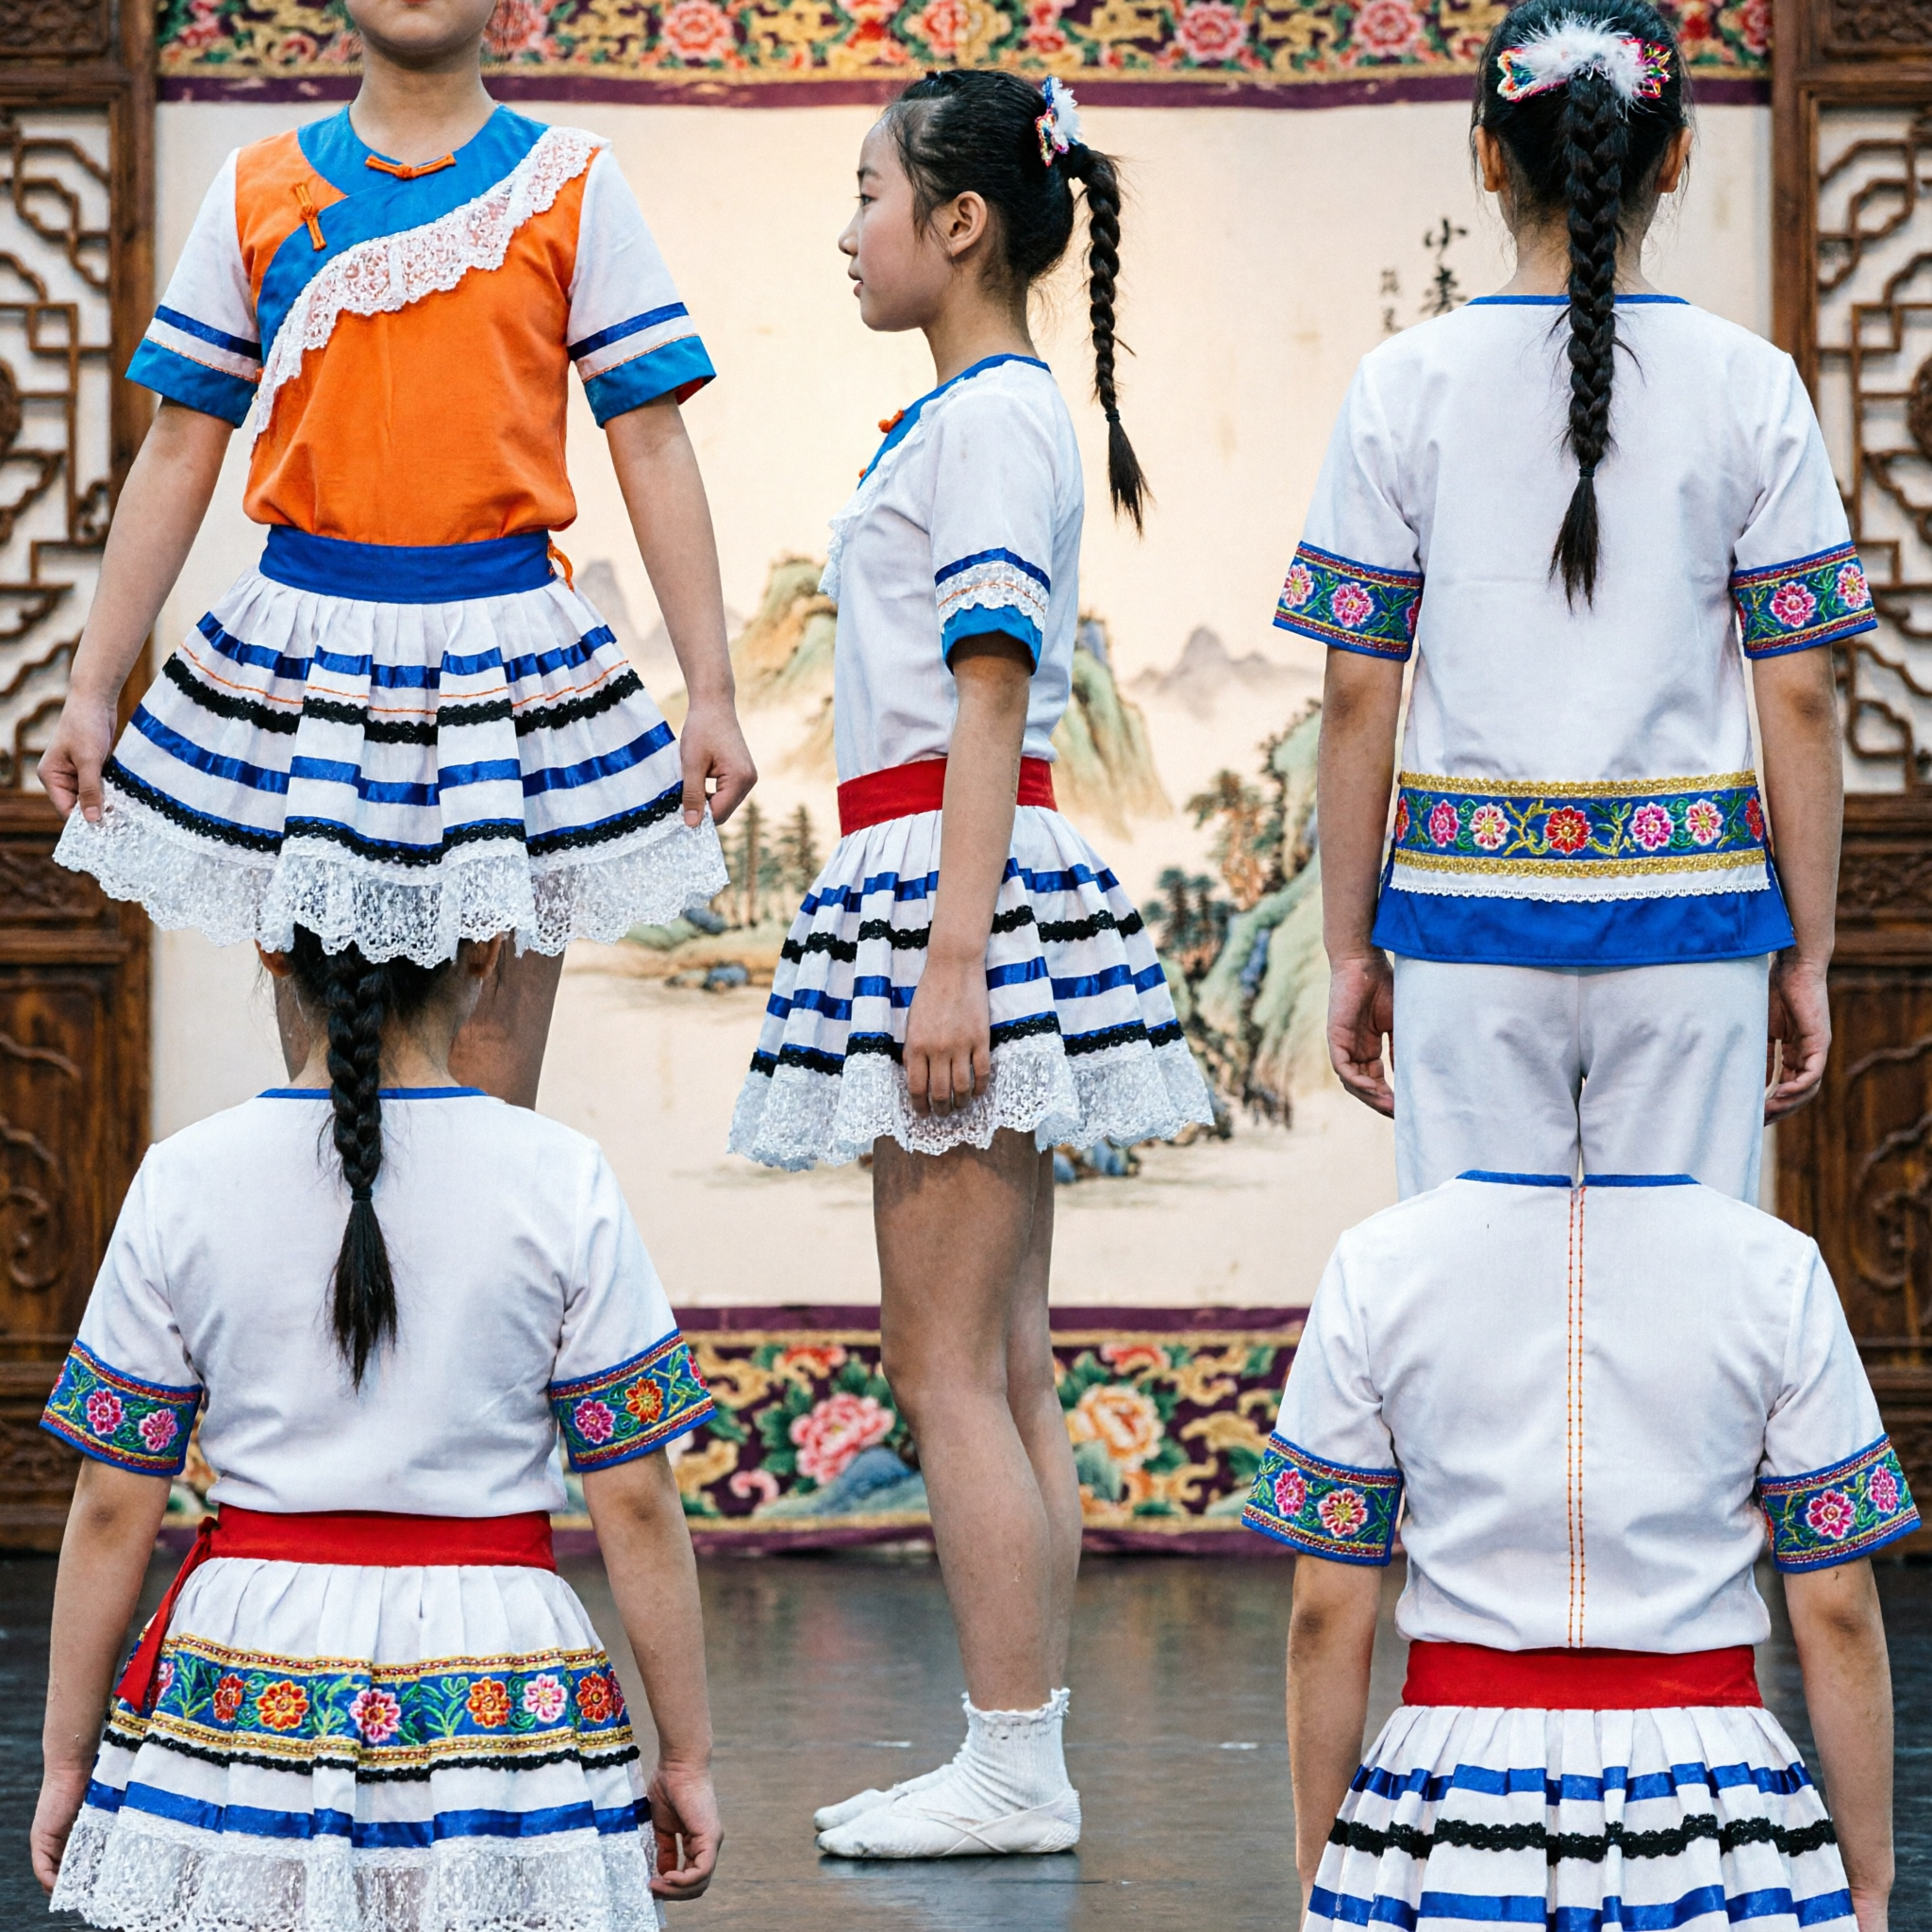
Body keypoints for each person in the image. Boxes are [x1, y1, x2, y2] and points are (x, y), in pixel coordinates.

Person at [729, 72, 1213, 1857]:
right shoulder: (968, 416)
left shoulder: (993, 421)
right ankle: (1019, 1750)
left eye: (865, 193)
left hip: (952, 884)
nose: (843, 230)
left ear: (958, 221)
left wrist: (951, 963)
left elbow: (993, 688)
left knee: (947, 1367)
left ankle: (1012, 1761)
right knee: (999, 1364)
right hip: (940, 872)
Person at [39, 0, 755, 1108]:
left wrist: (710, 689)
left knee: (488, 1116)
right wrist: (91, 688)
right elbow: (180, 444)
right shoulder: (255, 186)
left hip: (505, 674)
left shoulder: (574, 181)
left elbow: (649, 437)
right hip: (311, 681)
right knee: (327, 1114)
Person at [31, 927, 723, 1928]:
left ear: (274, 950)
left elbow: (109, 1504)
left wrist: (66, 1758)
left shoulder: (181, 1175)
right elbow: (637, 1498)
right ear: (485, 947)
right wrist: (687, 1754)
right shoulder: (562, 1173)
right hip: (496, 1676)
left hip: (248, 1670)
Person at [1299, 0, 1867, 1199]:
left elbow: (1357, 694)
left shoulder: (1398, 388)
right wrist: (1806, 953)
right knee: (1676, 1297)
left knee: (1469, 1302)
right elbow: (1801, 701)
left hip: (1463, 925)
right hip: (1693, 927)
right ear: (1672, 157)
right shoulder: (1751, 388)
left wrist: (1351, 948)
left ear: (1486, 156)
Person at [1249, 1168, 1911, 1931]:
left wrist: (1321, 1870)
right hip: (1711, 1797)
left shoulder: (1375, 1261)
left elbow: (1324, 1611)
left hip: (1453, 1790)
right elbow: (1840, 1613)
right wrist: (1867, 1885)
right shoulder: (1778, 1265)